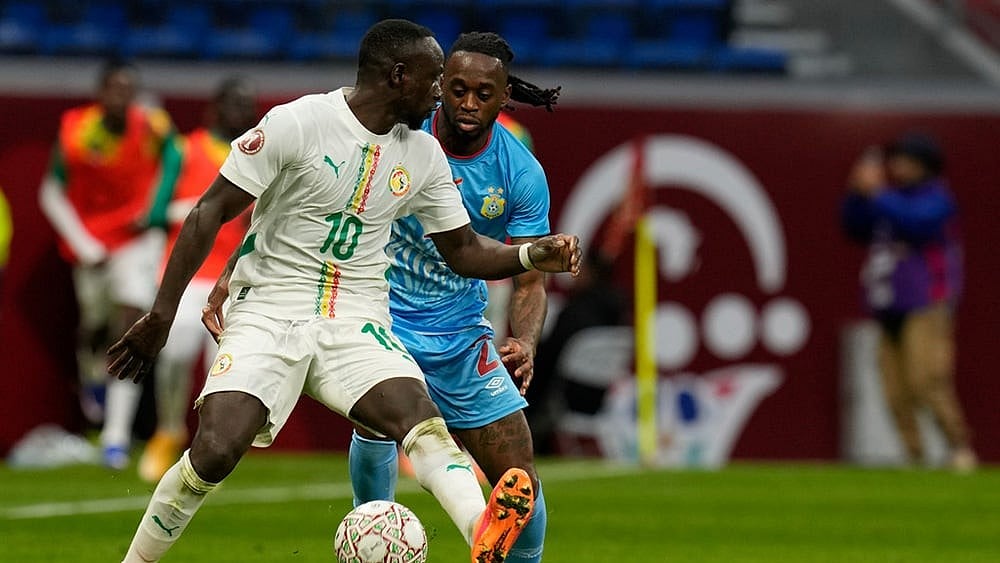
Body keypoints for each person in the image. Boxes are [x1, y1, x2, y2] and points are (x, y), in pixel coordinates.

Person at [108, 19, 580, 563]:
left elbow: (466, 251)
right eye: (437, 83)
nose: (441, 99)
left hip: (362, 314)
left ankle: (483, 531)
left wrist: (528, 255)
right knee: (214, 451)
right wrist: (171, 311)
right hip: (272, 307)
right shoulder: (299, 122)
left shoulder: (430, 156)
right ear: (401, 77)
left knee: (417, 419)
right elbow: (213, 212)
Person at [345, 31, 560, 563]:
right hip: (382, 319)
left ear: (504, 96)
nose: (467, 104)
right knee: (375, 422)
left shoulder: (520, 172)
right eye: (458, 89)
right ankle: (372, 545)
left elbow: (530, 276)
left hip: (462, 334)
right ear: (440, 84)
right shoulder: (400, 135)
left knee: (520, 484)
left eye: (483, 94)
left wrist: (525, 340)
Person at [37, 59, 181, 470]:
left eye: (128, 89)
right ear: (100, 94)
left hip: (136, 240)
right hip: (92, 245)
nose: (122, 97)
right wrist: (82, 243)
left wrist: (154, 211)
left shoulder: (152, 124)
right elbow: (52, 188)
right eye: (114, 89)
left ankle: (115, 438)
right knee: (94, 329)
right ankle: (93, 380)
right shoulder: (76, 130)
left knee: (130, 319)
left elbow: (173, 161)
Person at [135, 76, 259, 483]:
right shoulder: (184, 148)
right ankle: (168, 430)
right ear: (214, 108)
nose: (241, 111)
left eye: (247, 104)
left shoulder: (262, 154)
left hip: (237, 277)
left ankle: (210, 446)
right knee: (174, 353)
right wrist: (210, 208)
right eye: (233, 103)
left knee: (224, 367)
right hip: (190, 273)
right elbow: (157, 210)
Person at [841, 132, 976, 472]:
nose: (897, 166)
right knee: (894, 390)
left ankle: (959, 448)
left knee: (926, 380)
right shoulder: (888, 200)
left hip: (927, 302)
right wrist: (857, 194)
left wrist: (876, 193)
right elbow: (853, 226)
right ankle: (914, 456)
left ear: (924, 165)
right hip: (888, 304)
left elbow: (917, 223)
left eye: (905, 160)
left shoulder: (936, 199)